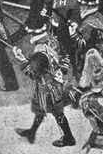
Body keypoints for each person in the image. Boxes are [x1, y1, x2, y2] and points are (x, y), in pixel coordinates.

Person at [12, 12, 75, 147]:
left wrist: (21, 60)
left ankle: (69, 138)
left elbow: (32, 73)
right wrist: (62, 69)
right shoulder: (53, 40)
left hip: (46, 87)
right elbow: (64, 55)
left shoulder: (39, 53)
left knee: (56, 112)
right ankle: (32, 132)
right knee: (41, 109)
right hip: (55, 83)